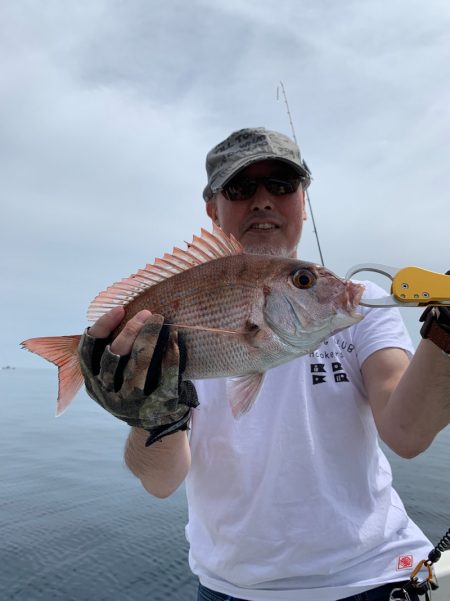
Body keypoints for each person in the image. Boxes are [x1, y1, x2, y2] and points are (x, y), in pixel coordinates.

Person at [79, 128, 450, 601]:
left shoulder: (363, 309)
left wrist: (446, 334)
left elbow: (408, 434)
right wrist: (148, 416)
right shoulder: (162, 333)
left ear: (303, 200)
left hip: (373, 577)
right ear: (213, 208)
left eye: (281, 185)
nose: (262, 201)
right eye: (240, 188)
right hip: (230, 590)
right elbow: (160, 481)